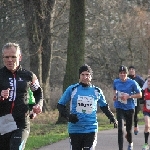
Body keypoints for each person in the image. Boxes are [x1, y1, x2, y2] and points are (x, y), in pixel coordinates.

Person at [57, 64, 117, 150]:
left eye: (87, 74)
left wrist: (112, 117)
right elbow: (60, 105)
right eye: (83, 74)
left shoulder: (96, 91)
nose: (85, 77)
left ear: (91, 76)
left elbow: (104, 106)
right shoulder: (72, 89)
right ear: (79, 76)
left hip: (91, 128)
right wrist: (68, 116)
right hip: (75, 129)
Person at [0, 42, 43, 150]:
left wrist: (38, 105)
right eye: (7, 57)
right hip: (3, 121)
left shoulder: (29, 76)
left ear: (20, 57)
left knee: (16, 147)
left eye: (13, 57)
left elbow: (38, 92)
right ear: (3, 58)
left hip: (21, 121)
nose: (10, 60)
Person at [113, 65, 142, 150]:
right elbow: (114, 90)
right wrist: (115, 96)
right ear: (119, 74)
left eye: (124, 73)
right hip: (119, 107)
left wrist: (129, 96)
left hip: (129, 108)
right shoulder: (116, 82)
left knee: (129, 131)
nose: (122, 75)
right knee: (120, 130)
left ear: (127, 73)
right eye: (121, 73)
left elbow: (140, 94)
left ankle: (130, 142)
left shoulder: (132, 82)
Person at [128, 66, 145, 135]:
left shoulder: (139, 79)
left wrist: (142, 97)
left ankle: (135, 126)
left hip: (136, 98)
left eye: (132, 69)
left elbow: (144, 87)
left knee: (135, 113)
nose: (131, 71)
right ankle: (128, 127)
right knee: (127, 112)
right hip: (128, 98)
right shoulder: (127, 78)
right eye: (130, 69)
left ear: (134, 71)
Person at [140, 75, 150, 150]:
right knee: (147, 125)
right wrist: (142, 101)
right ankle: (146, 144)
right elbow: (140, 99)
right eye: (148, 81)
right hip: (146, 111)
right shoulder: (144, 90)